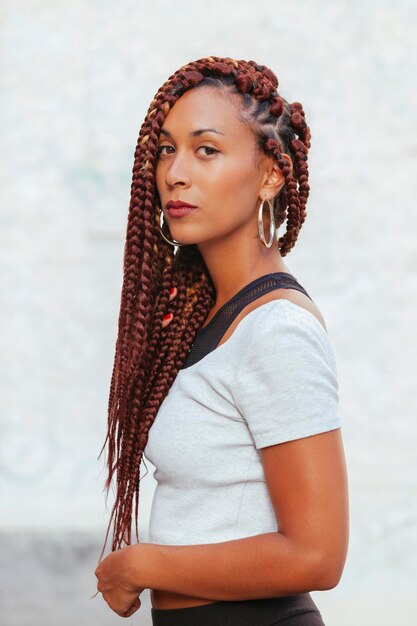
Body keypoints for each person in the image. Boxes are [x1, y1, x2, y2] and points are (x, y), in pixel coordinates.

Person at [94, 56, 349, 625]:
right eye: (166, 149)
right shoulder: (203, 317)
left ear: (270, 175)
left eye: (206, 149)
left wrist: (143, 565)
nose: (175, 173)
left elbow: (318, 555)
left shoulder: (276, 330)